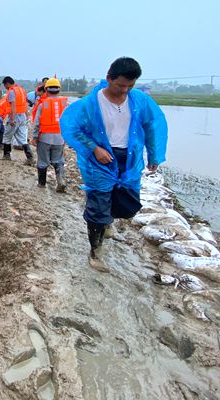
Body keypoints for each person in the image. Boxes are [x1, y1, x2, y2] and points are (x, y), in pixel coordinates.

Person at [61, 57, 168, 269]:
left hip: (128, 159)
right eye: (120, 85)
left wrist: (154, 155)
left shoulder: (139, 101)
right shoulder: (90, 104)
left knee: (125, 203)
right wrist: (94, 148)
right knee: (98, 204)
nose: (125, 91)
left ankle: (108, 221)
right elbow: (72, 128)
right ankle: (95, 252)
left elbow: (152, 126)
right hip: (99, 160)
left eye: (130, 86)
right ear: (109, 78)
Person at [32, 78, 69, 192]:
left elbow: (36, 122)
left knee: (43, 162)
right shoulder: (65, 104)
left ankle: (41, 184)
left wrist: (34, 137)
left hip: (45, 138)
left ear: (46, 90)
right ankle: (60, 180)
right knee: (58, 160)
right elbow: (70, 122)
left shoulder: (43, 104)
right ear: (59, 89)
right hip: (59, 138)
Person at [1, 76, 35, 165]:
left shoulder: (12, 91)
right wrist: (27, 115)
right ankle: (30, 158)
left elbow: (13, 106)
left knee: (7, 136)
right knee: (22, 138)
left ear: (7, 83)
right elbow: (25, 104)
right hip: (22, 116)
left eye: (5, 85)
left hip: (15, 116)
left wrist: (12, 119)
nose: (5, 87)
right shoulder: (21, 90)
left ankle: (6, 155)